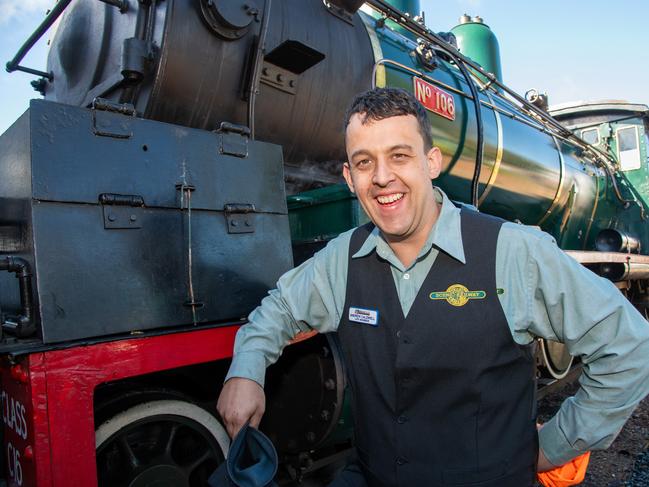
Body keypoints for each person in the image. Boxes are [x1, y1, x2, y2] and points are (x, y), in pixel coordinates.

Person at [217, 87, 649, 486]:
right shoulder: (341, 258)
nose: (382, 177)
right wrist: (245, 371)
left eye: (400, 156)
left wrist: (553, 446)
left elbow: (631, 348)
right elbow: (278, 310)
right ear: (350, 178)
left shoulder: (514, 251)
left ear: (432, 162)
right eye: (365, 162)